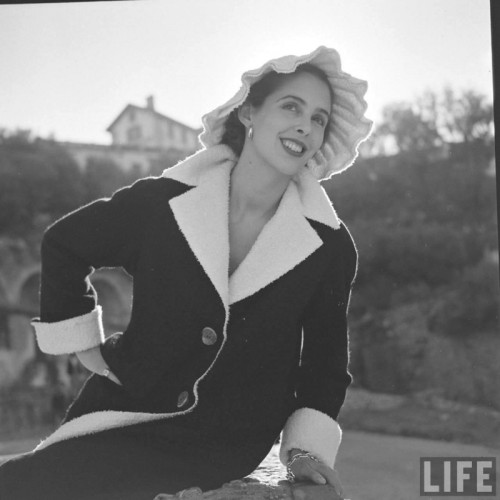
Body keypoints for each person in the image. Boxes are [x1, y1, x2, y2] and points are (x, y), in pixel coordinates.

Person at [0, 45, 372, 500]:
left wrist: (307, 451)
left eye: (318, 118)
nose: (305, 126)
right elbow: (65, 243)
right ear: (250, 112)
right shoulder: (164, 203)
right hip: (122, 415)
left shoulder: (329, 246)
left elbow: (324, 363)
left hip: (225, 444)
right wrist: (86, 346)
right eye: (291, 106)